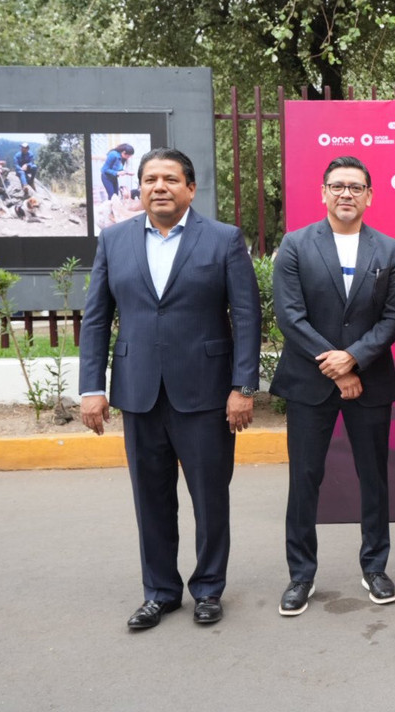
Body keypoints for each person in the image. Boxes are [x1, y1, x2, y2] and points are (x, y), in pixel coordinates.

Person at [79, 147, 261, 630]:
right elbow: (97, 318)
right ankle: (160, 592)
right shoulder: (114, 241)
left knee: (209, 497)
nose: (159, 186)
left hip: (205, 393)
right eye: (150, 179)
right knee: (151, 498)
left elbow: (245, 316)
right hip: (138, 393)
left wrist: (243, 385)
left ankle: (207, 589)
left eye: (170, 179)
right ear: (138, 188)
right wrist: (90, 388)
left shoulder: (223, 240)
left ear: (190, 188)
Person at [270, 155, 395, 616]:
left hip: (371, 381)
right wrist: (337, 364)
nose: (345, 193)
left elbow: (393, 318)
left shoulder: (388, 251)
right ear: (323, 192)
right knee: (304, 479)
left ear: (370, 195)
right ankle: (301, 575)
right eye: (337, 186)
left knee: (374, 478)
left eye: (355, 187)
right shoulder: (295, 245)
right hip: (310, 382)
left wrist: (356, 358)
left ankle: (375, 566)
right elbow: (289, 315)